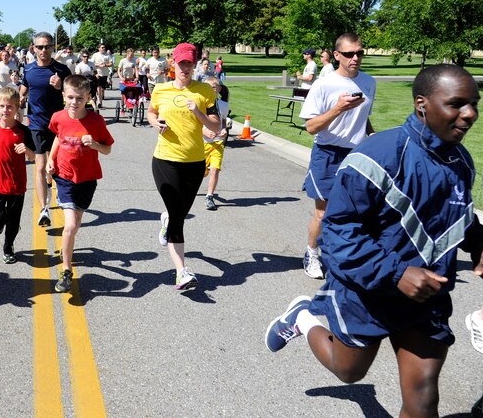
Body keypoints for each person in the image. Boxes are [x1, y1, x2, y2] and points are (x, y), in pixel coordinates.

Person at [265, 64, 482, 418]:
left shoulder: (461, 161)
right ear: (422, 104)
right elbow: (338, 234)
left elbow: (454, 210)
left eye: (474, 103)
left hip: (427, 299)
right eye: (457, 103)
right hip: (368, 293)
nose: (469, 114)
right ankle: (304, 316)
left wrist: (478, 239)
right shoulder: (375, 157)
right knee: (348, 371)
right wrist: (396, 274)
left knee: (423, 401)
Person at [299, 33, 376, 279]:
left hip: (357, 154)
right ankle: (312, 252)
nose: (355, 58)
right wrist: (338, 108)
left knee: (356, 212)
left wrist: (373, 137)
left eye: (360, 53)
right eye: (349, 54)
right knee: (324, 212)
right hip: (328, 153)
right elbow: (311, 127)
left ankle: (344, 255)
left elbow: (364, 118)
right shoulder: (324, 84)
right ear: (337, 55)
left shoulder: (369, 82)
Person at [147, 42, 220, 291]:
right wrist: (156, 124)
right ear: (173, 64)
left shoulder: (205, 92)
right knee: (179, 217)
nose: (185, 67)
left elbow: (216, 127)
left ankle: (168, 221)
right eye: (181, 63)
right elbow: (151, 113)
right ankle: (182, 272)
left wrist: (198, 112)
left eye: (189, 63)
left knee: (178, 214)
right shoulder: (160, 89)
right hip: (165, 160)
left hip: (195, 163)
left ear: (194, 64)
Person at [46, 75, 114, 292]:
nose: (74, 102)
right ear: (63, 96)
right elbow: (58, 135)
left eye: (79, 98)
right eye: (70, 97)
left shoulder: (96, 121)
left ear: (88, 98)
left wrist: (94, 144)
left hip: (87, 179)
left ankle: (67, 255)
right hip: (64, 177)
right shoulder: (58, 116)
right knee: (71, 226)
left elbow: (107, 149)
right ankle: (66, 270)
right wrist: (50, 159)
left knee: (75, 226)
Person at [20, 31, 71, 227]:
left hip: (58, 125)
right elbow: (24, 89)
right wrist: (20, 100)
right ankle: (44, 209)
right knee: (40, 166)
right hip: (36, 124)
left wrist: (60, 88)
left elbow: (75, 94)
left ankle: (55, 190)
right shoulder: (29, 69)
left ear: (52, 48)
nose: (43, 50)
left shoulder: (62, 70)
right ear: (33, 48)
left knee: (56, 166)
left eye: (47, 46)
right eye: (39, 47)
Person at [0, 87, 35, 264]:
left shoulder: (23, 131)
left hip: (16, 183)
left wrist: (26, 150)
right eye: (2, 106)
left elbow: (34, 156)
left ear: (17, 107)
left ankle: (8, 247)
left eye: (10, 106)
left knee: (13, 222)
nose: (6, 110)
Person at [202, 77, 231, 211]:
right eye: (208, 87)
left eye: (214, 87)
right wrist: (205, 131)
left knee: (215, 169)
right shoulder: (200, 104)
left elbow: (223, 120)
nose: (211, 90)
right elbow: (194, 123)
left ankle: (209, 196)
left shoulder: (224, 105)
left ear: (219, 89)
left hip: (217, 142)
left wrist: (224, 128)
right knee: (201, 172)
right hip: (202, 142)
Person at [90, 43, 112, 108]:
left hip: (104, 74)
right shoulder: (95, 55)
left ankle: (100, 100)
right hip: (97, 73)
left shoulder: (107, 55)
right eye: (102, 47)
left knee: (102, 89)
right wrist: (98, 65)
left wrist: (105, 65)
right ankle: (99, 102)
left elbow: (111, 63)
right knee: (98, 88)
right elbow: (91, 63)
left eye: (104, 47)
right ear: (99, 48)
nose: (103, 49)